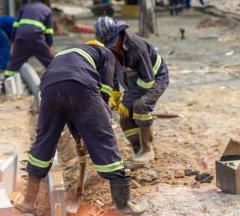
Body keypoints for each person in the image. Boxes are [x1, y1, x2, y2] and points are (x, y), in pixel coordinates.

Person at [15, 39, 147, 215]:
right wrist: (100, 120)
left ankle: (28, 202)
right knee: (103, 140)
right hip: (80, 85)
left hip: (48, 88)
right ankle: (124, 205)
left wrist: (80, 134)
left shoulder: (69, 52)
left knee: (45, 140)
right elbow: (105, 91)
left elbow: (70, 110)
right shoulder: (107, 53)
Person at [94, 17, 169, 169]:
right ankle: (138, 150)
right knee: (125, 117)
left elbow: (148, 81)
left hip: (155, 78)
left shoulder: (137, 48)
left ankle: (147, 149)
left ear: (119, 34)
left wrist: (127, 100)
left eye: (113, 43)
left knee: (140, 106)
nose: (112, 48)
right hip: (134, 82)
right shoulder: (110, 49)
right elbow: (113, 72)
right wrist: (114, 93)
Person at [2, 0, 54, 89]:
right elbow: (48, 31)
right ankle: (57, 84)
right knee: (52, 63)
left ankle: (4, 88)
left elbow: (16, 25)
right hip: (36, 40)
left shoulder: (25, 7)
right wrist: (49, 46)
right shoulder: (47, 11)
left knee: (13, 64)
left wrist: (13, 41)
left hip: (21, 39)